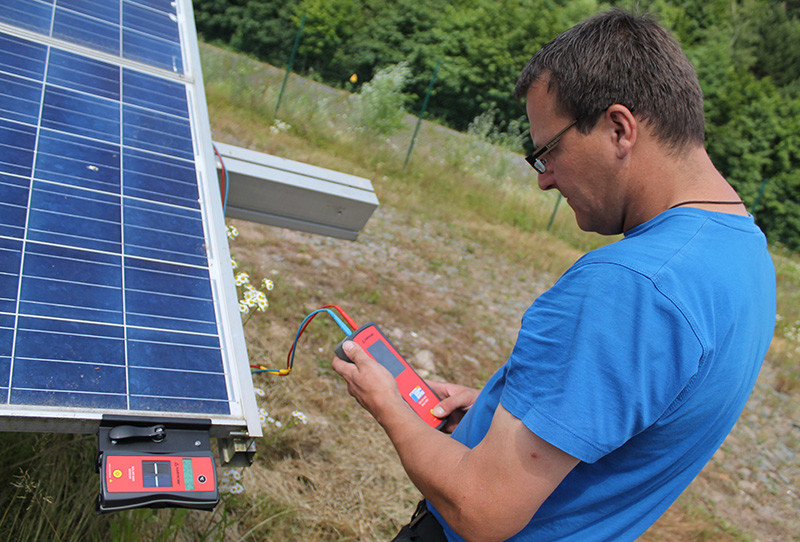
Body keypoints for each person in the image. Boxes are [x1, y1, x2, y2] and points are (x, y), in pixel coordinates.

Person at [332, 8, 776, 542]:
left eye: (547, 152)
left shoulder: (628, 285)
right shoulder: (743, 251)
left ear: (619, 128)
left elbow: (481, 509)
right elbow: (644, 403)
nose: (544, 181)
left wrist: (388, 405)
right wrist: (505, 409)